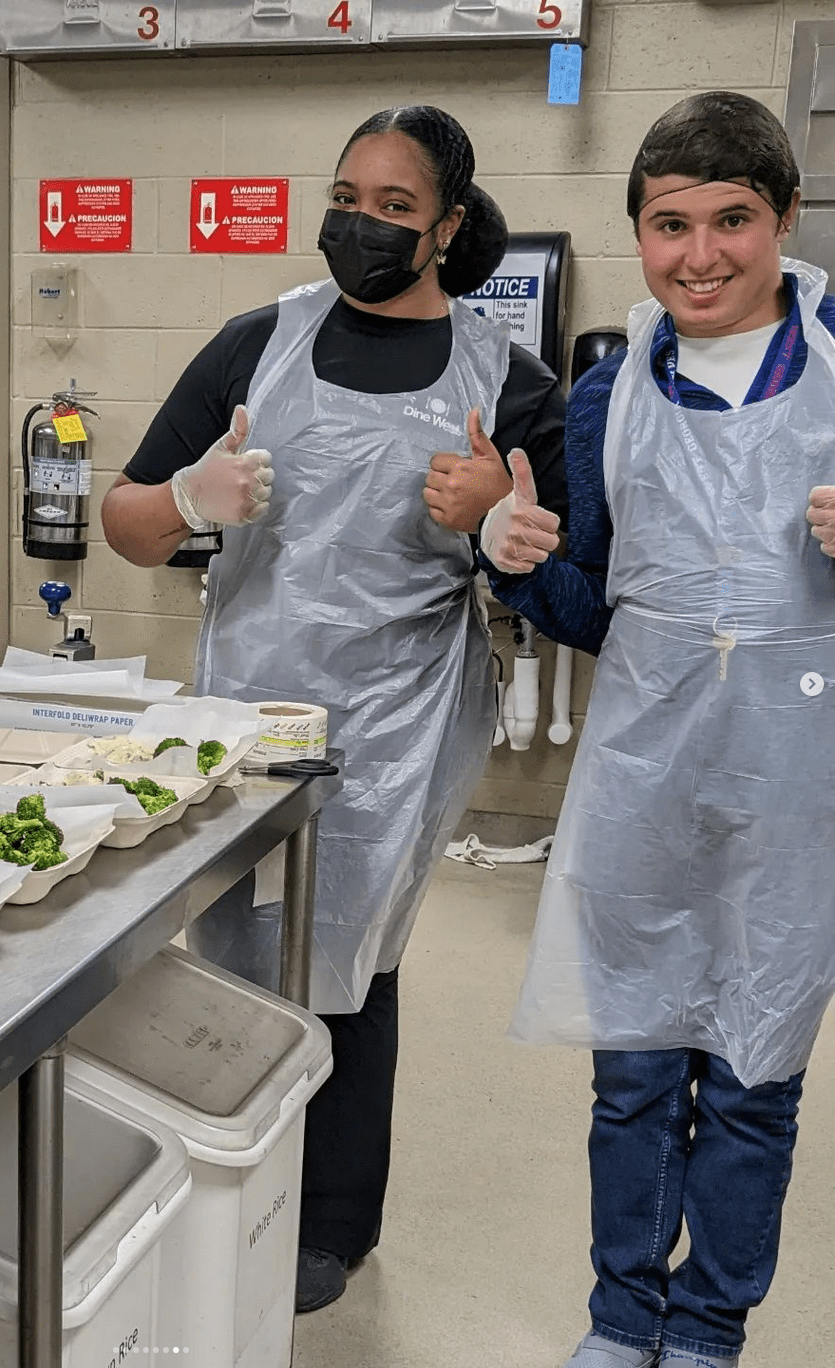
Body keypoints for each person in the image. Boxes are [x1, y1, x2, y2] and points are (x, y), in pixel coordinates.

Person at [101, 105, 566, 1314]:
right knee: (241, 947)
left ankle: (331, 1221)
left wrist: (498, 529)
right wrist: (194, 500)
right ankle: (224, 1165)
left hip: (404, 718)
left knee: (351, 956)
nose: (361, 225)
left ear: (450, 229)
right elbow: (127, 522)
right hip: (250, 706)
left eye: (396, 207)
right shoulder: (257, 342)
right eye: (347, 198)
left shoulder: (505, 381)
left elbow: (558, 572)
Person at [483, 91, 835, 1368]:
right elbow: (596, 611)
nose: (700, 256)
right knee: (631, 1078)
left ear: (786, 221)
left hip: (797, 793)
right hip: (646, 779)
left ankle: (710, 1328)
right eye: (669, 223)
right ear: (638, 232)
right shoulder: (610, 389)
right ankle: (622, 1317)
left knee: (754, 1081)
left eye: (733, 220)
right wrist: (513, 557)